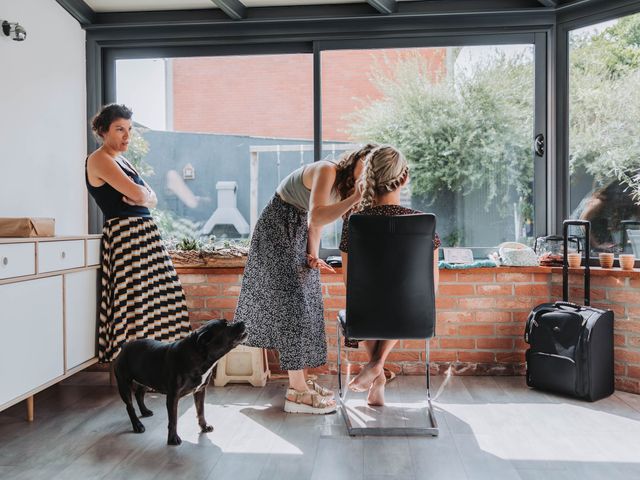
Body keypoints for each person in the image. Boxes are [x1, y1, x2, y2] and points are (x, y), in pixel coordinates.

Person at [234, 144, 377, 414]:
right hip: (278, 226)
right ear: (356, 159)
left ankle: (301, 383)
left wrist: (313, 255)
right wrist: (354, 199)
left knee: (308, 303)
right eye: (365, 163)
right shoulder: (327, 170)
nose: (367, 171)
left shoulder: (346, 188)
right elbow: (317, 213)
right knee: (293, 306)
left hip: (298, 228)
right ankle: (297, 391)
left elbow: (315, 223)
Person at [86, 104, 191, 363]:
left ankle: (161, 362)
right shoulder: (99, 159)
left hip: (145, 234)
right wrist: (143, 195)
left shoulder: (123, 160)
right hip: (126, 236)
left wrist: (144, 196)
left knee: (163, 296)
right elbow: (139, 194)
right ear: (102, 131)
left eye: (129, 129)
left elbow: (150, 197)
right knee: (135, 302)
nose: (126, 136)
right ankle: (136, 365)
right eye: (119, 129)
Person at [339, 145, 440, 406]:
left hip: (365, 316)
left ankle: (376, 369)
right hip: (415, 315)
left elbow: (351, 285)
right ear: (404, 178)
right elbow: (431, 288)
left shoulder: (354, 221)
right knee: (398, 303)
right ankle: (378, 372)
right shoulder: (424, 223)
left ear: (368, 177)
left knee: (366, 306)